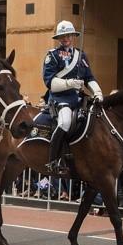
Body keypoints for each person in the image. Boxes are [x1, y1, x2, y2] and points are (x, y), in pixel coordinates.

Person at [42, 20, 103, 174]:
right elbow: (49, 82)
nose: (66, 38)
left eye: (68, 35)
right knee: (65, 122)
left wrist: (98, 92)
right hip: (60, 99)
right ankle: (53, 159)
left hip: (79, 99)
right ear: (58, 38)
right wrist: (69, 83)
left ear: (73, 36)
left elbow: (89, 78)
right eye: (62, 36)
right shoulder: (52, 56)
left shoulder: (81, 55)